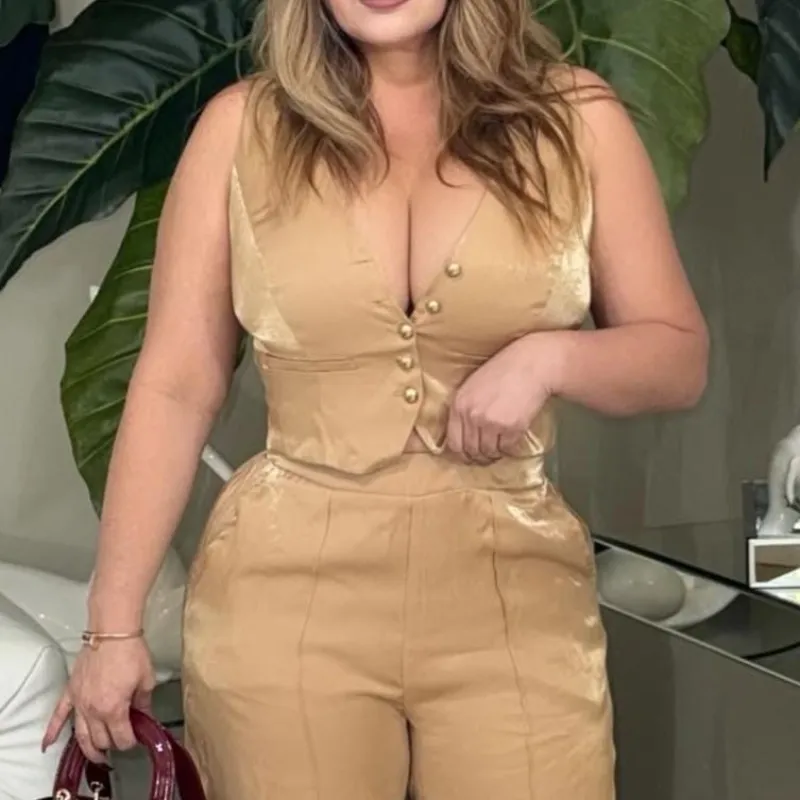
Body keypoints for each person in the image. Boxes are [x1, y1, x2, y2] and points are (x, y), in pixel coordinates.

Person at [42, 0, 709, 797]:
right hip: (284, 603)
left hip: (516, 597)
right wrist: (112, 629)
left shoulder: (576, 118)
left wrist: (552, 358)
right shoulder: (239, 129)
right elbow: (176, 384)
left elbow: (677, 356)